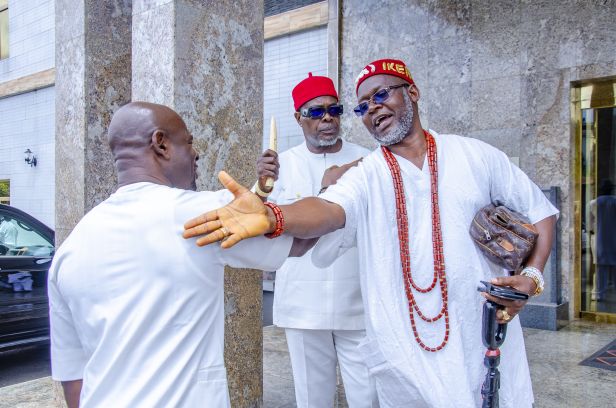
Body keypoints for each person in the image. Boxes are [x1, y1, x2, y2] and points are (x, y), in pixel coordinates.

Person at [184, 59, 559, 407]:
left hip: (479, 335)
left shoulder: (474, 154)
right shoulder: (366, 173)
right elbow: (329, 209)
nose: (372, 109)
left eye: (381, 95)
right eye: (363, 106)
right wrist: (273, 215)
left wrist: (533, 276)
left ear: (412, 92)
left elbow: (540, 210)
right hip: (403, 350)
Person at [48, 102, 303, 408]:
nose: (196, 154)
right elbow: (301, 240)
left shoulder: (69, 251)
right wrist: (334, 194)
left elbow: (73, 376)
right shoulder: (198, 216)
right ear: (161, 143)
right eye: (189, 142)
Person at [255, 73, 377, 407]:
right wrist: (262, 185)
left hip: (357, 304)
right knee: (313, 399)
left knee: (368, 398)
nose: (327, 118)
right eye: (316, 112)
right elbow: (258, 218)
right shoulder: (280, 165)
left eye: (334, 110)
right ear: (299, 118)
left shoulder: (368, 160)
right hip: (303, 306)